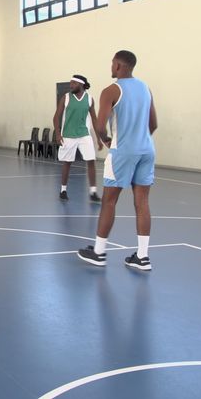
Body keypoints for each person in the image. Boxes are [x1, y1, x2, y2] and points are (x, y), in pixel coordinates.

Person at [78, 51, 157, 271]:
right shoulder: (145, 88)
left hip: (123, 151)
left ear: (120, 66)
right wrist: (140, 139)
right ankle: (142, 257)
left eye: (112, 63)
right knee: (142, 202)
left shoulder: (111, 90)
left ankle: (99, 252)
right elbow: (154, 123)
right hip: (147, 150)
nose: (111, 66)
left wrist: (106, 140)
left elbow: (101, 126)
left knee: (109, 201)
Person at [53, 75, 103, 203]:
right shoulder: (66, 97)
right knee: (67, 163)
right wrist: (58, 134)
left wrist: (99, 138)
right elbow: (56, 117)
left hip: (84, 134)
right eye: (70, 83)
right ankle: (63, 190)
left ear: (81, 85)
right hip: (68, 135)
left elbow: (95, 119)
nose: (71, 85)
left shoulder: (90, 99)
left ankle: (93, 192)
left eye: (73, 83)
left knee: (91, 160)